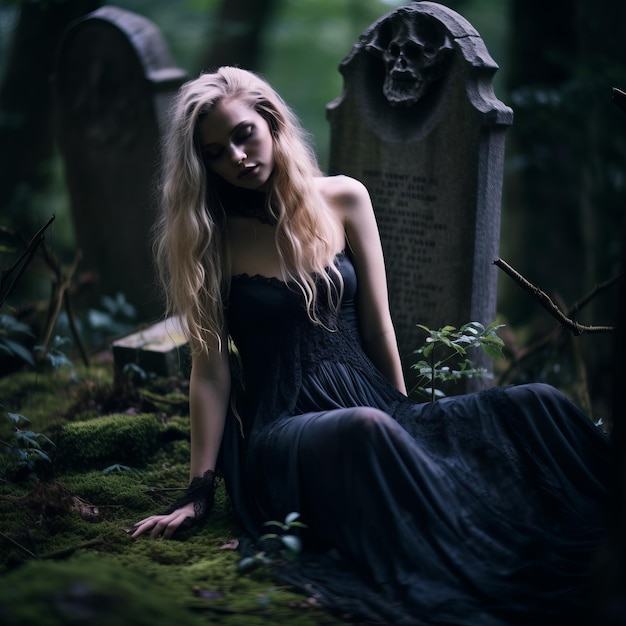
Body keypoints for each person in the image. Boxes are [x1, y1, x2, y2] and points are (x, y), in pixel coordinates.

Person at [132, 66, 609, 626]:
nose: (235, 157)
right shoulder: (210, 239)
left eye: (243, 135)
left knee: (536, 403)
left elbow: (379, 323)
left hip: (374, 404)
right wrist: (198, 488)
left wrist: (411, 414)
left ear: (271, 121)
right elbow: (210, 374)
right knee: (366, 427)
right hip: (283, 429)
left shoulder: (343, 198)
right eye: (214, 152)